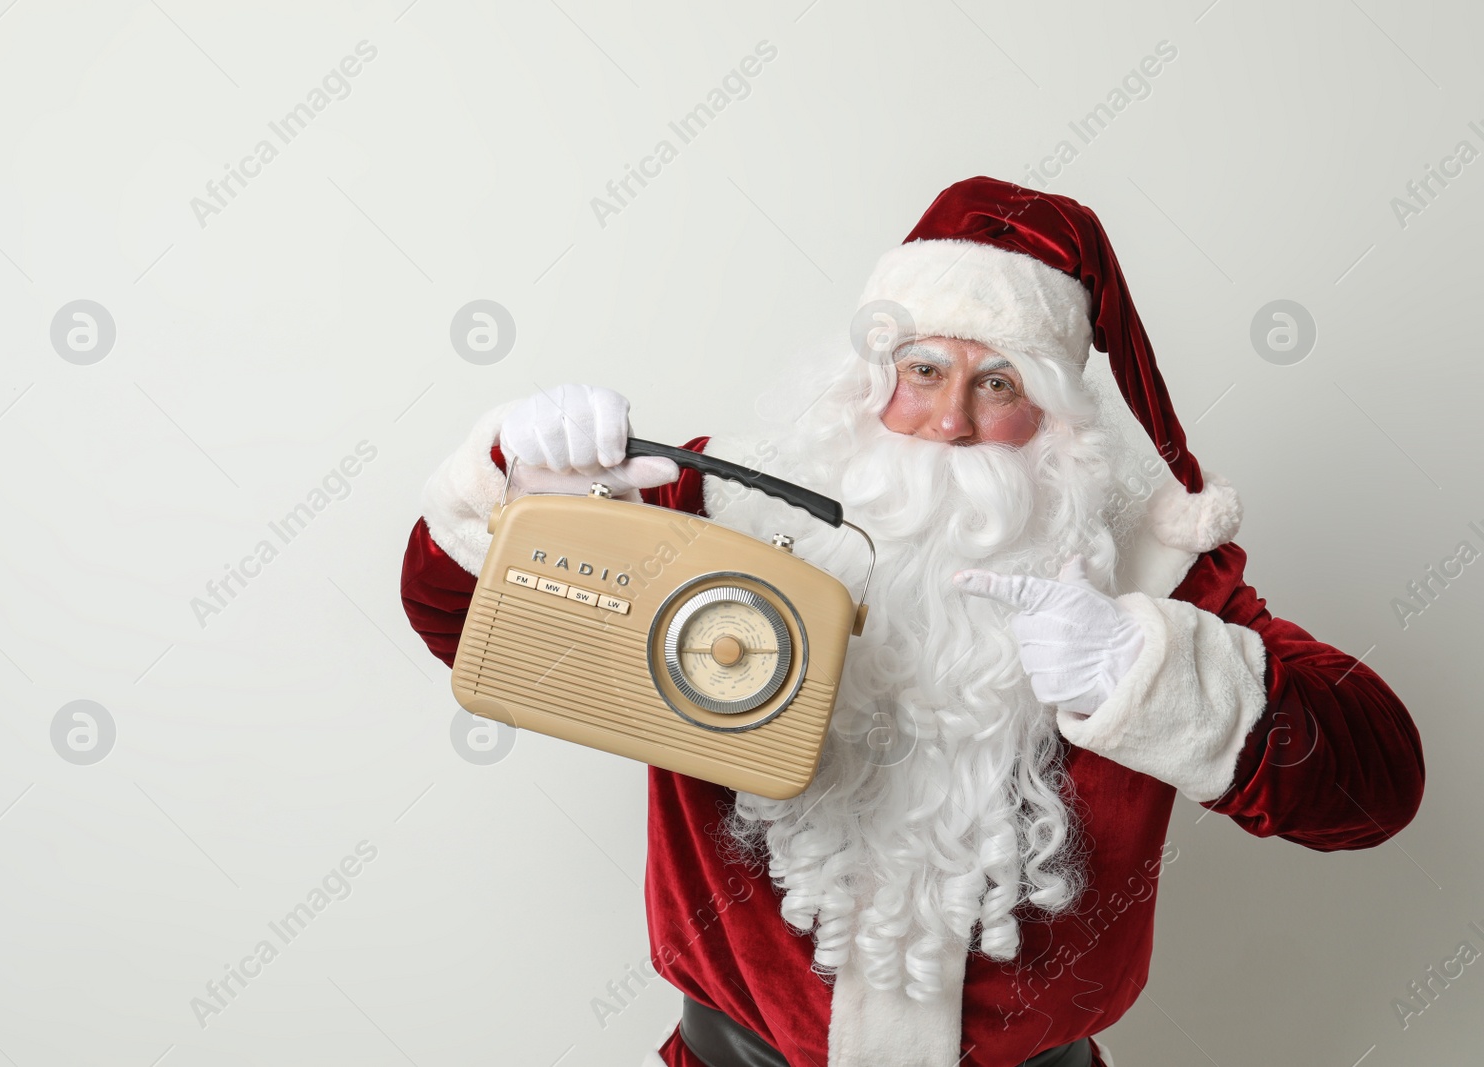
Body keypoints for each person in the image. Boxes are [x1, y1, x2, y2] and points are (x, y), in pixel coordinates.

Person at [399, 177, 1425, 1067]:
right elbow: (460, 622)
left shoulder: (1146, 573)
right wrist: (518, 497)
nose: (950, 422)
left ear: (1058, 416)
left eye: (1001, 383)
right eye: (925, 370)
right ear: (869, 372)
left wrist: (1143, 673)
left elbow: (1374, 784)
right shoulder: (717, 512)